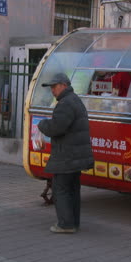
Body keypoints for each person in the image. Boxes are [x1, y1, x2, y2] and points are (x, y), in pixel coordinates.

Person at [38, 72, 94, 234]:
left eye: (54, 87)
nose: (52, 90)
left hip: (67, 156)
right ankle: (73, 222)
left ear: (64, 85)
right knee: (72, 189)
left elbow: (57, 127)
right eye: (51, 88)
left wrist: (42, 124)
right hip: (75, 156)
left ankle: (66, 224)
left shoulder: (66, 103)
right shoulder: (74, 100)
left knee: (60, 189)